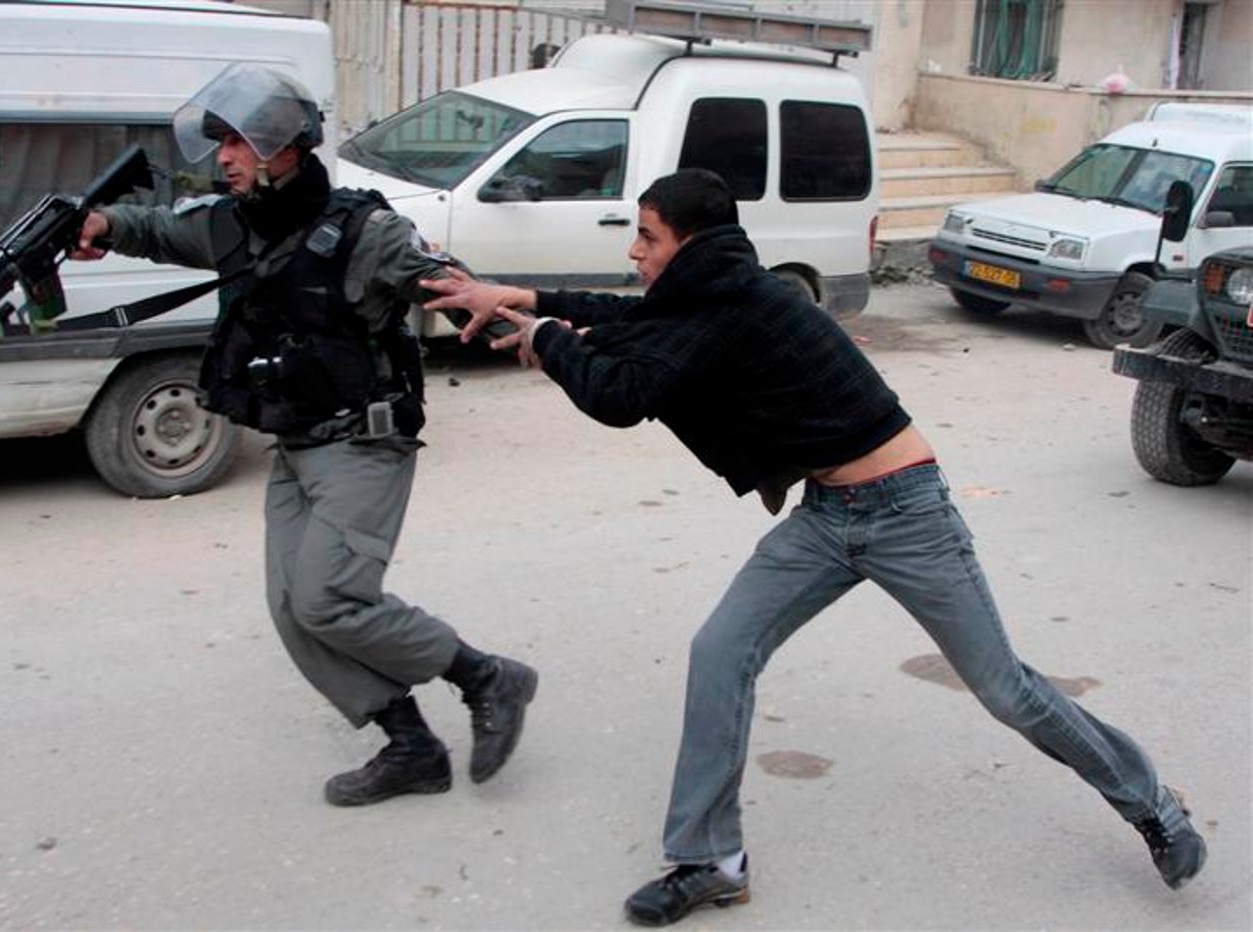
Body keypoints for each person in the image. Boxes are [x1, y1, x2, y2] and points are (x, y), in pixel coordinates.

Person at [420, 168, 1207, 925]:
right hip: (830, 516)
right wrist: (517, 297)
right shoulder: (711, 292)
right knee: (721, 651)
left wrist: (549, 338)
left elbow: (621, 393)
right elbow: (629, 318)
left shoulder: (733, 306)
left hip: (907, 513)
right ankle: (710, 860)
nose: (635, 250)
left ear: (689, 243)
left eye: (648, 236)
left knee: (1008, 691)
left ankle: (1154, 808)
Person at [71, 63, 537, 807]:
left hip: (364, 442)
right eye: (219, 142)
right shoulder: (236, 223)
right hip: (294, 444)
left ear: (284, 147)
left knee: (328, 599)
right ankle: (411, 746)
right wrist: (100, 224)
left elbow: (456, 289)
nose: (224, 158)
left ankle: (486, 677)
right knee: (294, 609)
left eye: (238, 143)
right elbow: (158, 229)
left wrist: (543, 333)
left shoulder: (366, 231)